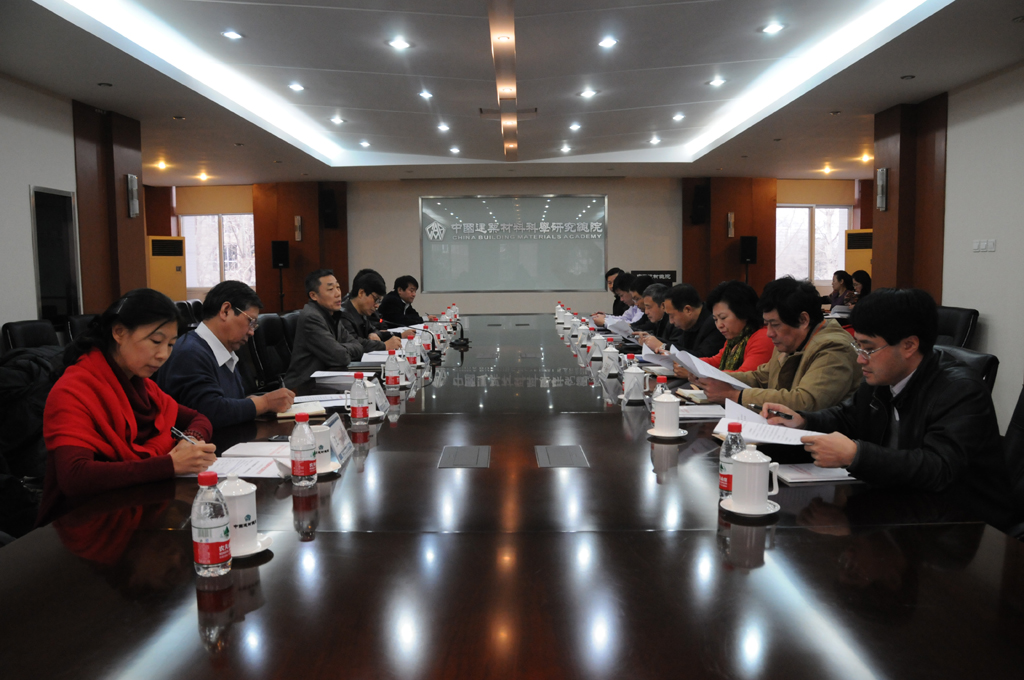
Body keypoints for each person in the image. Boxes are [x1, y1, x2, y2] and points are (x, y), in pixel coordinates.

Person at [764, 288, 1014, 523]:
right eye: (858, 346)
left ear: (909, 346)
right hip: (900, 505)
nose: (860, 359)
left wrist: (857, 455)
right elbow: (848, 417)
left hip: (962, 524)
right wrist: (804, 420)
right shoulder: (883, 376)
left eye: (869, 349)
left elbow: (940, 468)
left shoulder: (961, 390)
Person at [38, 289, 216, 525]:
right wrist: (169, 465)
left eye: (171, 345)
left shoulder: (142, 386)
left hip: (138, 509)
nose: (163, 355)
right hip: (82, 522)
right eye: (156, 341)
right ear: (119, 332)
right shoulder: (73, 390)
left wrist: (189, 440)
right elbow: (75, 477)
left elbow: (199, 419)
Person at [697, 276, 861, 409]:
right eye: (767, 324)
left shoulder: (834, 347)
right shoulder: (790, 341)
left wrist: (734, 396)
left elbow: (805, 401)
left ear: (803, 320)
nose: (769, 333)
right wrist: (715, 377)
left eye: (775, 324)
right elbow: (760, 377)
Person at [156, 281, 295, 429]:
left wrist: (247, 403)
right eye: (250, 321)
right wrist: (264, 403)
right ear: (225, 311)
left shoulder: (223, 350)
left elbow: (224, 402)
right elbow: (209, 412)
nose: (251, 332)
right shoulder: (190, 353)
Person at [284, 269, 367, 388]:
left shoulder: (332, 314)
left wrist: (340, 347)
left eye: (338, 287)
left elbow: (358, 346)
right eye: (330, 289)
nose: (338, 293)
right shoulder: (311, 318)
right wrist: (340, 349)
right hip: (303, 387)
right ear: (313, 295)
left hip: (325, 381)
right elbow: (340, 357)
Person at [673, 280, 773, 378]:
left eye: (723, 317)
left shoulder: (762, 337)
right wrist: (688, 364)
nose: (719, 325)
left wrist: (695, 371)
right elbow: (715, 361)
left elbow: (744, 377)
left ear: (743, 313)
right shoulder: (735, 339)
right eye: (715, 319)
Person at [340, 269, 404, 353]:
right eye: (376, 299)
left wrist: (375, 334)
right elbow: (354, 343)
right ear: (361, 293)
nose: (377, 305)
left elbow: (374, 330)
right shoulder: (343, 315)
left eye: (379, 301)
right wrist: (384, 345)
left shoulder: (362, 312)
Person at [661, 283, 725, 358]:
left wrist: (663, 346)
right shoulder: (689, 324)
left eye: (672, 315)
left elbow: (702, 358)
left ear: (688, 310)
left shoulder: (714, 324)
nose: (671, 321)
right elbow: (680, 346)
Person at [638, 283, 686, 351]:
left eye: (649, 307)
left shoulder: (675, 322)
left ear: (663, 305)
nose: (646, 312)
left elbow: (678, 349)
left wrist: (661, 345)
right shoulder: (659, 320)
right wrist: (648, 339)